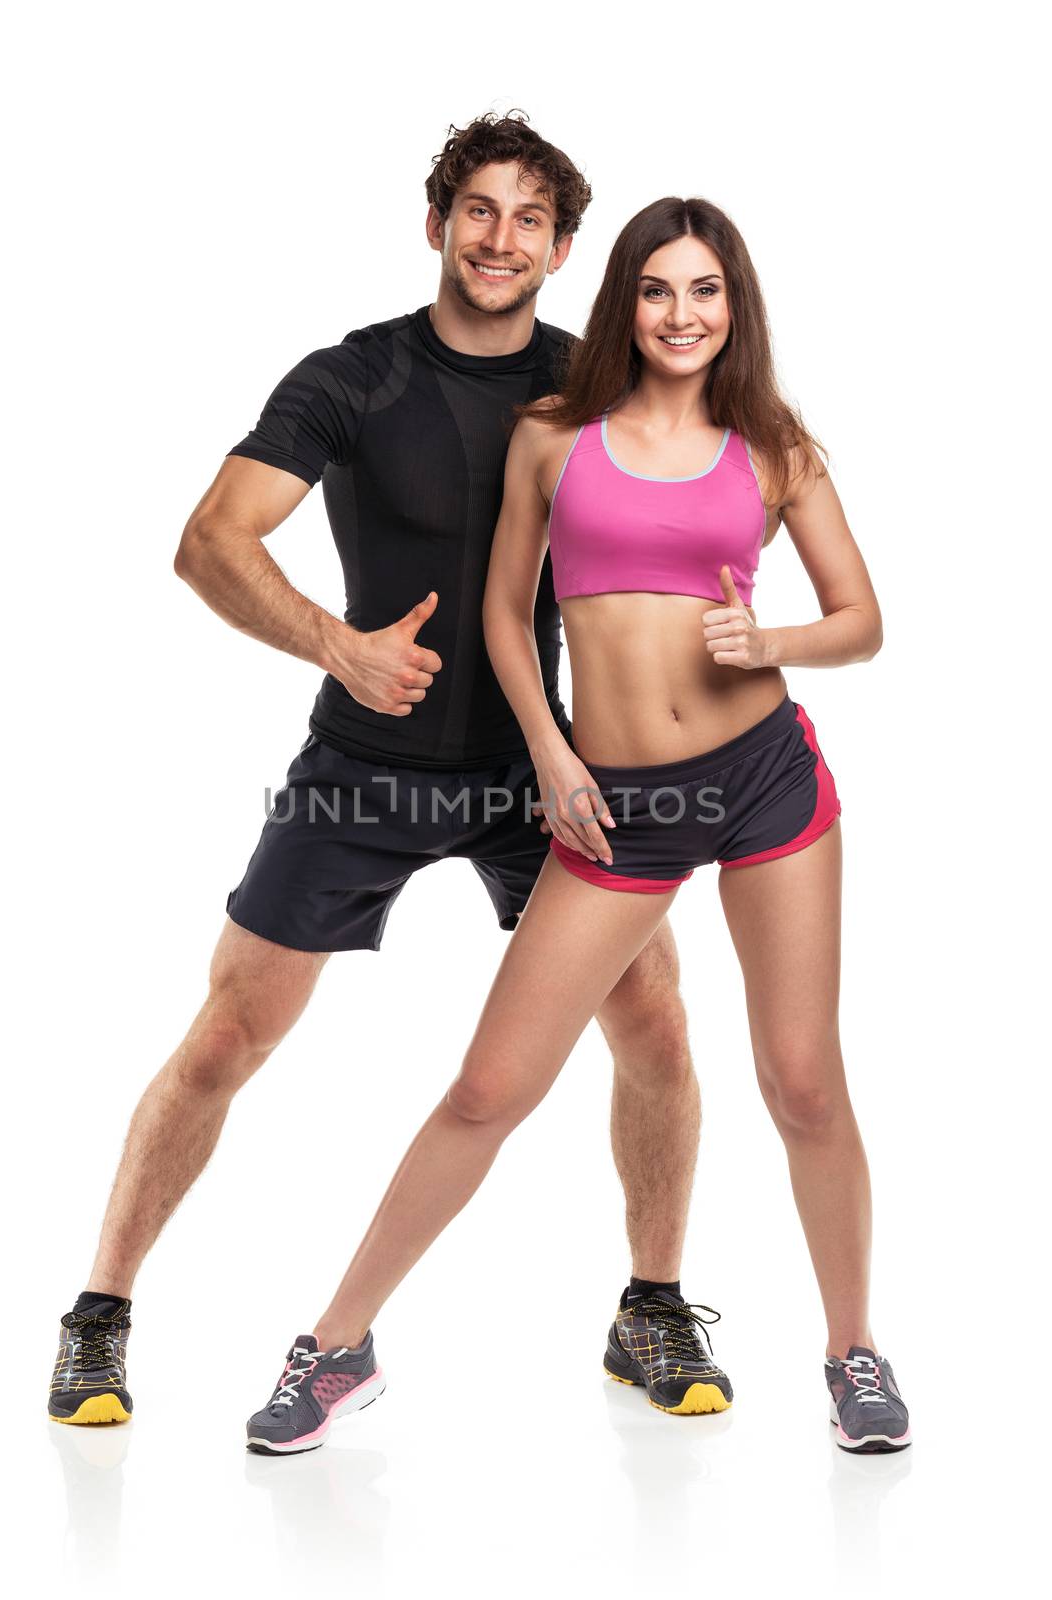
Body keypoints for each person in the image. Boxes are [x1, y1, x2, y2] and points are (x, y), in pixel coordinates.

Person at [48, 117, 726, 1433]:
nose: (499, 238)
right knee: (231, 1032)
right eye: (477, 211)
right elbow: (209, 541)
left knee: (652, 1018)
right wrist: (335, 647)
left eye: (529, 219)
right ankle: (99, 1315)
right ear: (435, 224)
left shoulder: (586, 382)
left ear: (562, 248)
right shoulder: (351, 379)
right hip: (365, 764)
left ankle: (648, 1305)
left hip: (538, 769)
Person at [245, 196, 911, 1456]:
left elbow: (861, 618)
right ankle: (337, 1344)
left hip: (767, 779)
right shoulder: (556, 435)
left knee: (803, 1082)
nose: (681, 314)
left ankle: (853, 1351)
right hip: (615, 801)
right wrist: (551, 752)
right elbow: (505, 613)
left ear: (735, 307)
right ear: (622, 301)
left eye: (705, 291)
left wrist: (772, 641)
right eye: (657, 290)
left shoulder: (773, 446)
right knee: (492, 1084)